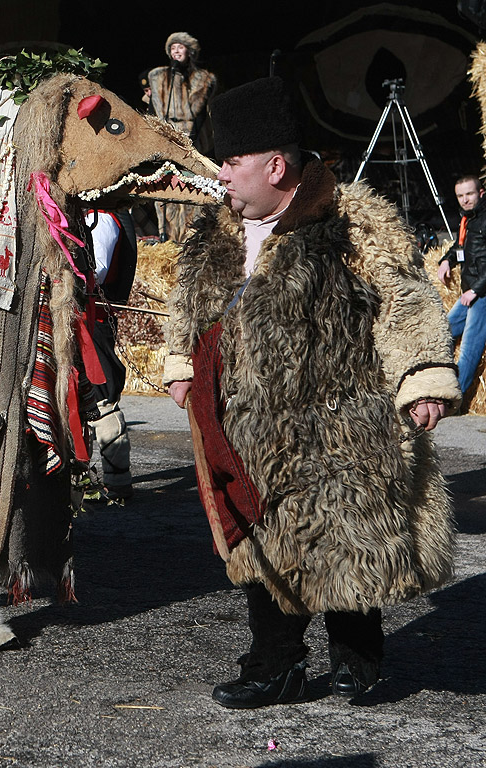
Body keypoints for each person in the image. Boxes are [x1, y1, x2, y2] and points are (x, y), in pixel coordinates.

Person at [163, 76, 460, 709]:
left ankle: (357, 661)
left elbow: (405, 300)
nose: (222, 172)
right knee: (264, 549)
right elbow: (187, 305)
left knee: (348, 540)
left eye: (233, 160)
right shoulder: (216, 234)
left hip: (340, 425)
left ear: (275, 166)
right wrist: (178, 362)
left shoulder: (353, 220)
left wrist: (423, 378)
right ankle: (277, 666)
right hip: (248, 430)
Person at [84, 208, 138, 504]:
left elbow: (96, 271)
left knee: (101, 398)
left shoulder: (102, 218)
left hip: (93, 321)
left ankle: (118, 482)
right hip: (80, 318)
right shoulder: (90, 215)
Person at [147, 32, 217, 242]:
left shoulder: (203, 80)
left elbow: (204, 114)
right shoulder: (158, 77)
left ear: (190, 51)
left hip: (194, 143)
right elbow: (153, 112)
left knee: (191, 189)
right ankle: (166, 237)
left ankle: (190, 238)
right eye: (173, 48)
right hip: (166, 142)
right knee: (166, 189)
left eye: (181, 47)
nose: (177, 51)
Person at [438, 174, 486, 400]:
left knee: (468, 348)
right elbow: (460, 248)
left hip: (482, 294)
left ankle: (452, 399)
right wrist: (446, 260)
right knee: (442, 333)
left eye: (469, 194)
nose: (465, 199)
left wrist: (476, 290)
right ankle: (434, 383)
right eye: (460, 196)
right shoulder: (467, 219)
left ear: (481, 193)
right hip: (469, 292)